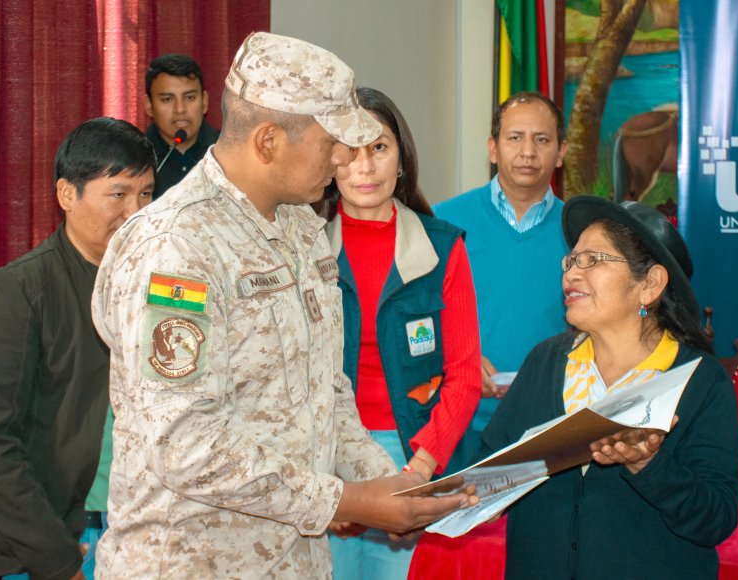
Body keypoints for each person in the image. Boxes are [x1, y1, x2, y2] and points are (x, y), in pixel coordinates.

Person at [90, 32, 474, 579]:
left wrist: (391, 485)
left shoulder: (302, 227)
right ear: (268, 141)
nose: (345, 158)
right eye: (332, 142)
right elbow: (185, 443)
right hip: (192, 563)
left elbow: (327, 392)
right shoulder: (176, 246)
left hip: (293, 561)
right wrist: (348, 502)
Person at [478, 196, 738, 579]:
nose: (570, 274)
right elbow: (490, 471)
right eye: (571, 260)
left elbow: (716, 519)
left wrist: (649, 464)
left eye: (593, 260)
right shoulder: (546, 362)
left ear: (649, 285)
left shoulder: (700, 381)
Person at [320, 87, 482, 579]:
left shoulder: (442, 246)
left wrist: (417, 474)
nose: (364, 168)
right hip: (326, 457)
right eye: (349, 151)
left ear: (402, 158)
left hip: (417, 450)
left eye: (379, 148)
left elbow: (465, 376)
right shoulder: (302, 246)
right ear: (328, 160)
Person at [0, 118, 155, 580]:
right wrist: (59, 562)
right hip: (47, 544)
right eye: (118, 194)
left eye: (146, 194)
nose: (136, 212)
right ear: (68, 195)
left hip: (140, 528)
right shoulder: (19, 292)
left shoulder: (161, 286)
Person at [433, 91, 570, 434]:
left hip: (551, 421)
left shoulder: (583, 231)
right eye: (514, 138)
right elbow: (415, 318)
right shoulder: (442, 223)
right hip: (457, 423)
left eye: (542, 140)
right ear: (493, 149)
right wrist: (454, 358)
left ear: (561, 152)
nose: (528, 152)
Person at [145, 53, 220, 199]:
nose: (180, 109)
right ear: (149, 106)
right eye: (167, 99)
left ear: (204, 101)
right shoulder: (135, 158)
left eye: (190, 97)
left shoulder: (229, 151)